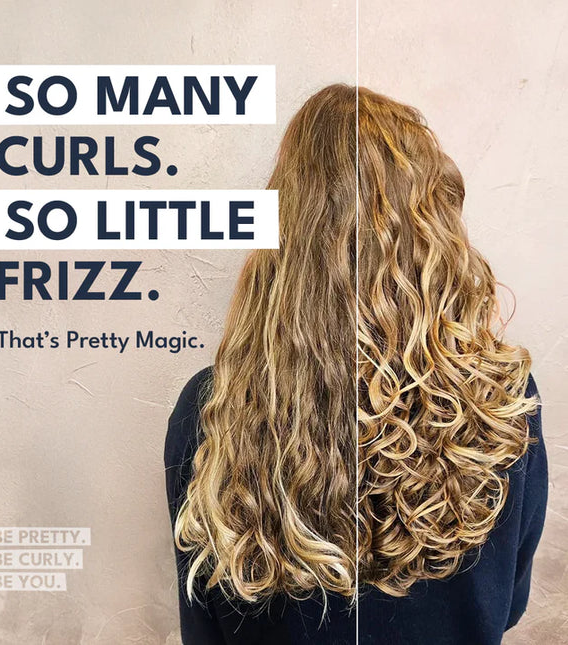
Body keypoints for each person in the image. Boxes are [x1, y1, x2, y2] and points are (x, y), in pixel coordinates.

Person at [164, 85, 548, 645]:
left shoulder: (211, 413)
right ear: (432, 231)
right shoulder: (502, 401)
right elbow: (507, 606)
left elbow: (205, 631)